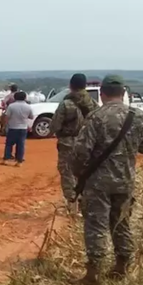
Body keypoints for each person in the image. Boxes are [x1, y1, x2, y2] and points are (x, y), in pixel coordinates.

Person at [71, 75, 143, 285]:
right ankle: (122, 266)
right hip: (125, 180)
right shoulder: (140, 117)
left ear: (102, 93)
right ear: (123, 93)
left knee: (96, 224)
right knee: (121, 222)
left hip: (98, 182)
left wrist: (78, 175)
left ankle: (93, 274)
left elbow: (80, 151)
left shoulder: (96, 117)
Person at [50, 73, 97, 214]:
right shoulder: (93, 103)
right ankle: (85, 204)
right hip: (88, 144)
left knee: (67, 173)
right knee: (85, 173)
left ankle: (72, 206)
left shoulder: (66, 104)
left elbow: (54, 126)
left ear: (71, 86)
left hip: (68, 144)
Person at [0, 91, 33, 166]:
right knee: (20, 145)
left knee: (9, 144)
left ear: (15, 97)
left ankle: (6, 159)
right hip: (23, 128)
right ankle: (19, 161)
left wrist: (4, 126)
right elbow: (31, 117)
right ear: (25, 98)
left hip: (12, 127)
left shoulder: (11, 106)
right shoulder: (28, 106)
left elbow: (7, 117)